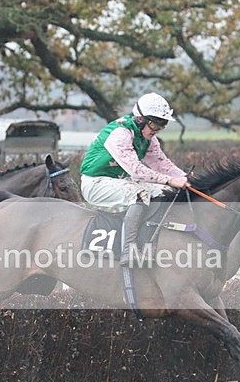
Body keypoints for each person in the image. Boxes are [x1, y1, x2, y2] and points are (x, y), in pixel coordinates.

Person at [80, 92, 189, 266]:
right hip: (95, 184)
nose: (157, 130)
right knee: (140, 195)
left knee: (165, 191)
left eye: (163, 125)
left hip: (119, 182)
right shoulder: (120, 133)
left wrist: (186, 178)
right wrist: (169, 180)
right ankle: (128, 250)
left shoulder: (148, 139)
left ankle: (149, 243)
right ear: (140, 119)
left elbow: (162, 164)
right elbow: (136, 170)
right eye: (154, 124)